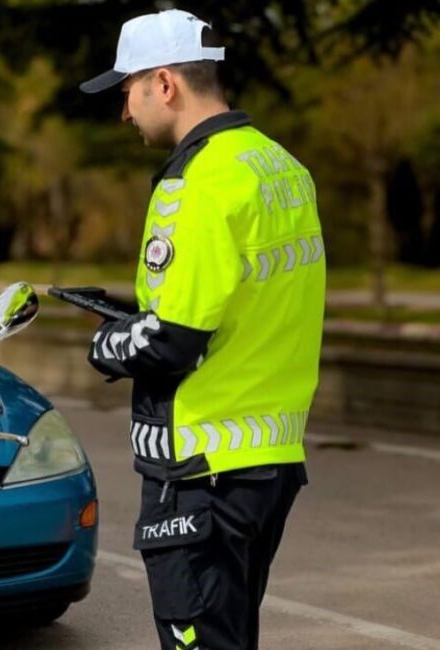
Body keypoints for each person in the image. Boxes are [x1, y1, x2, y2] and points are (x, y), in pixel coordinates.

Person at [79, 9, 324, 650]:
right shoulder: (281, 167)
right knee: (232, 634)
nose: (124, 112)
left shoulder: (195, 182)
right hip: (269, 457)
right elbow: (241, 304)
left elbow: (173, 339)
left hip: (200, 467)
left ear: (165, 84)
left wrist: (107, 344)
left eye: (127, 91)